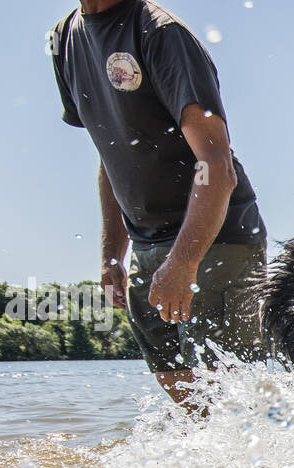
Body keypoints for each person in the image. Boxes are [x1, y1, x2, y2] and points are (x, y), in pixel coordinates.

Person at [50, 0, 267, 409]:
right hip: (146, 248)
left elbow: (215, 164)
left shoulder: (160, 33)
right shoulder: (65, 39)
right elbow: (110, 153)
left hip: (216, 242)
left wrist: (184, 261)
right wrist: (111, 255)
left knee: (230, 407)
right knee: (189, 406)